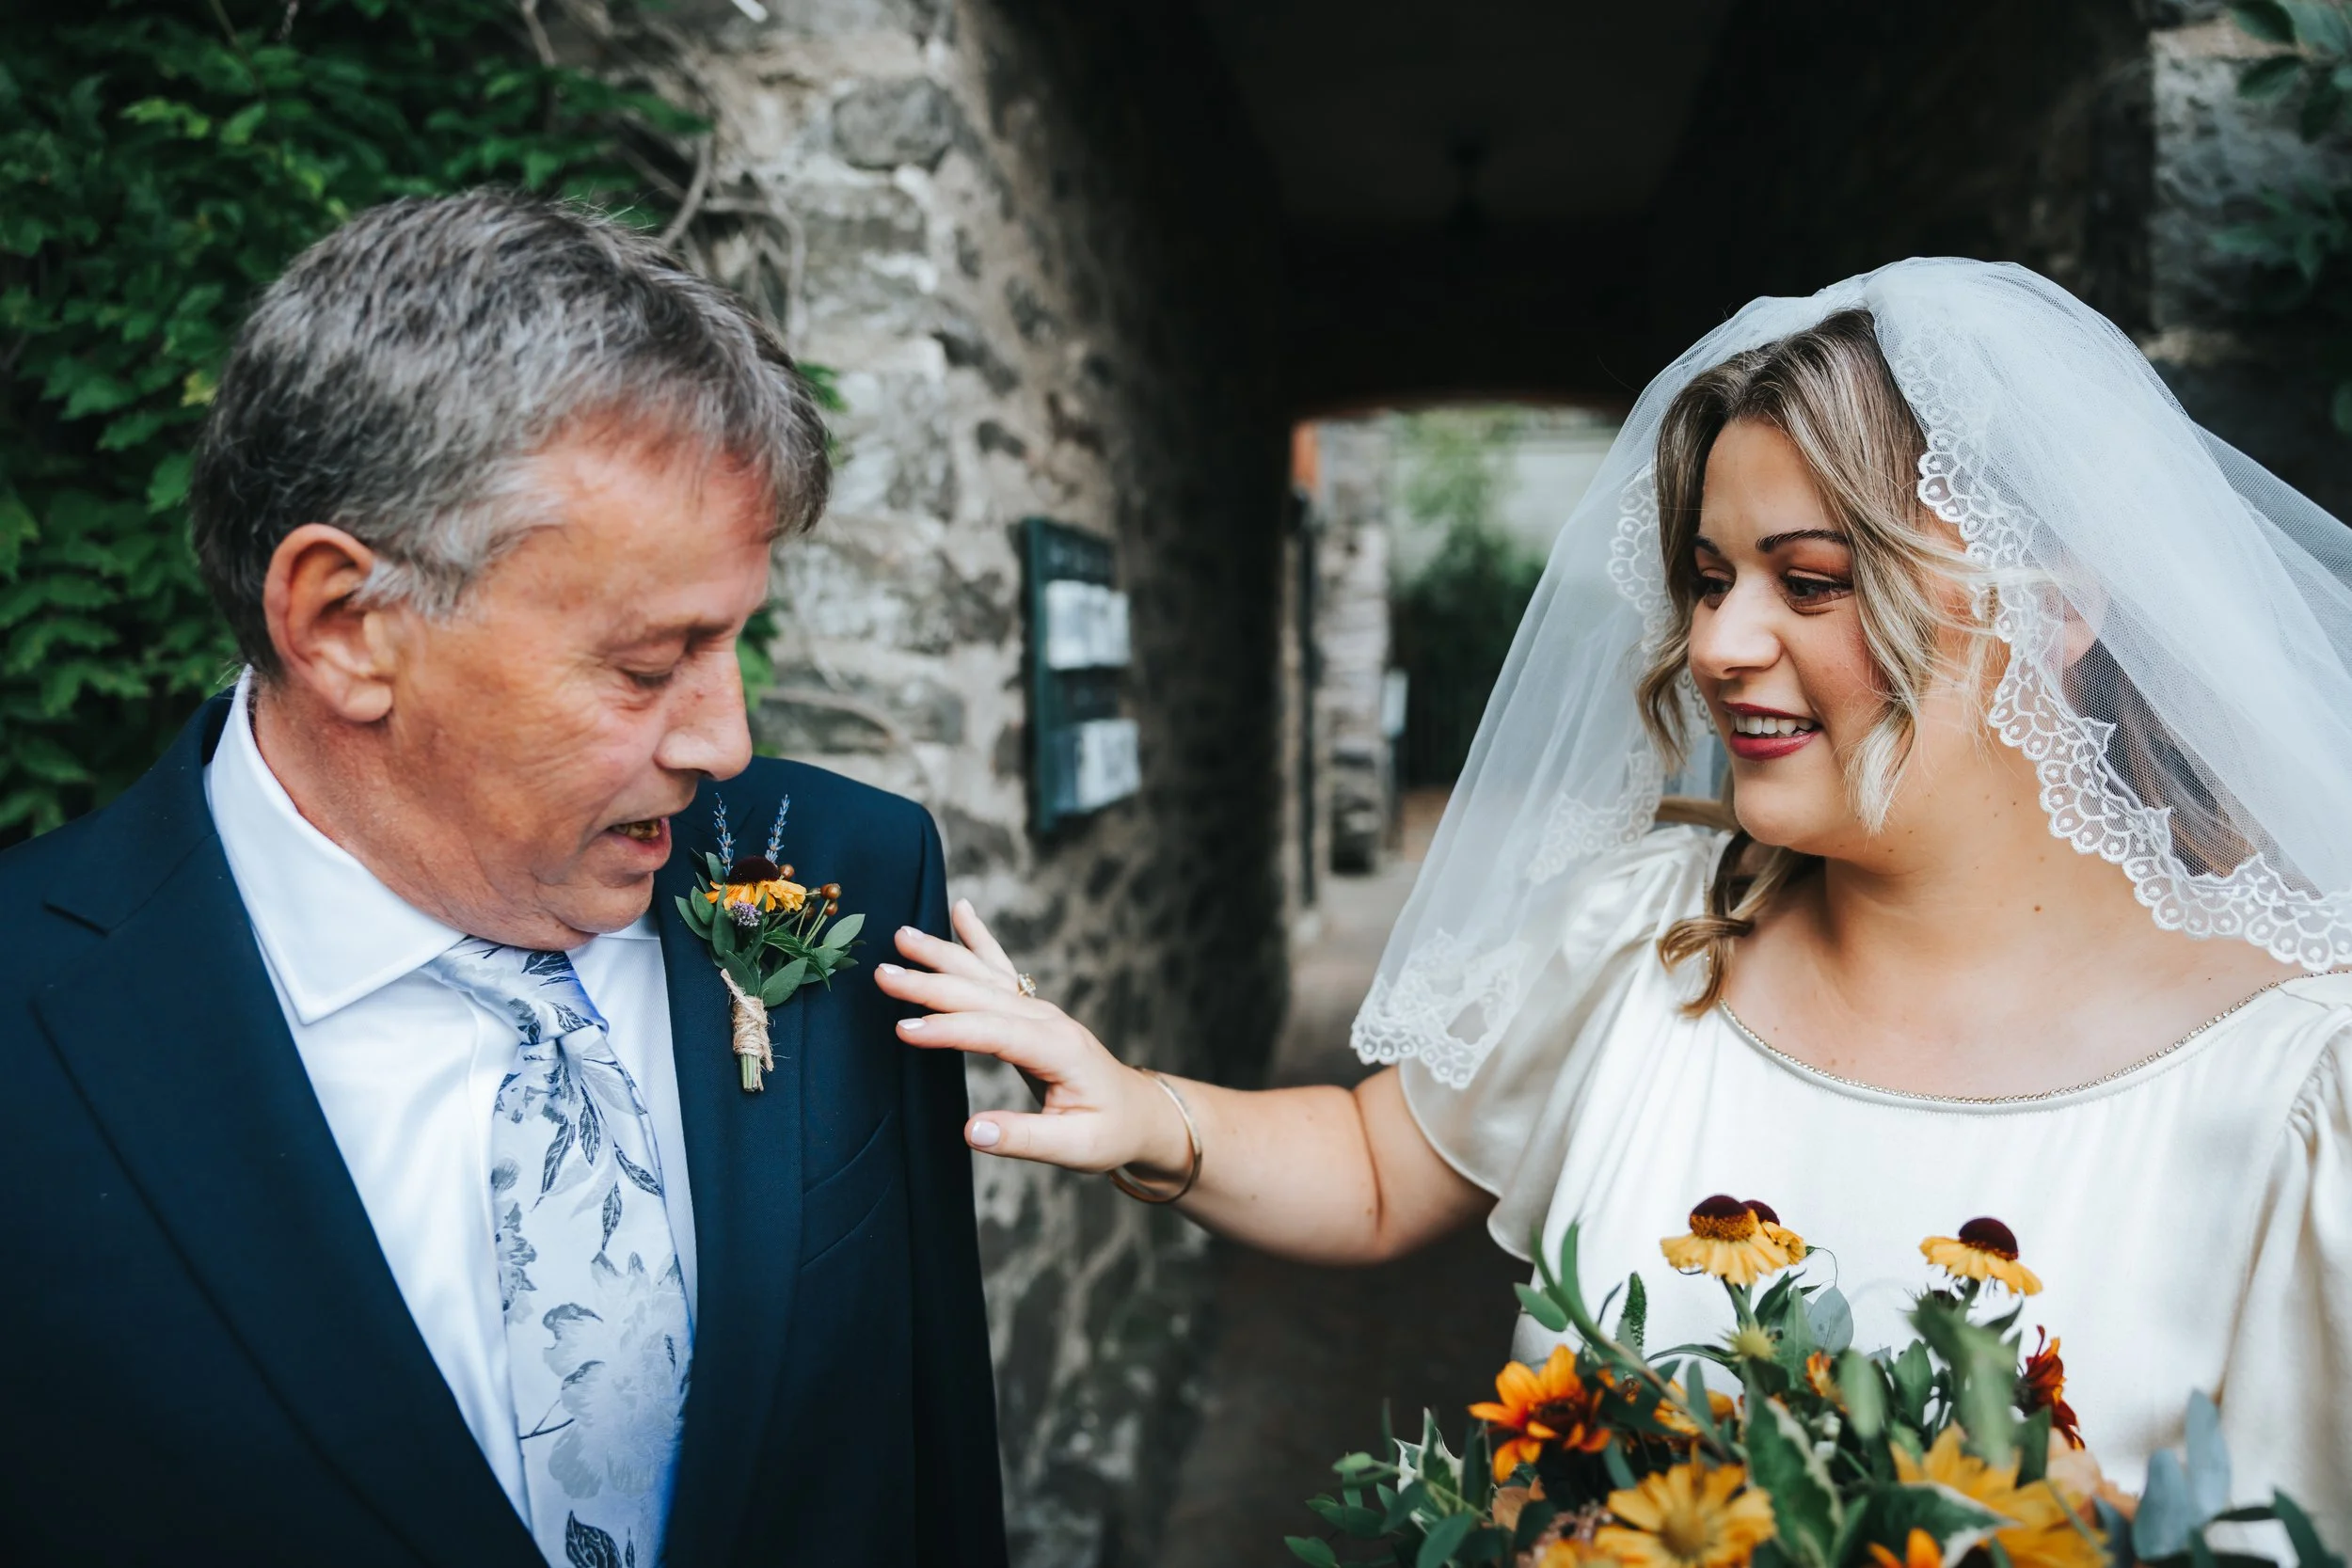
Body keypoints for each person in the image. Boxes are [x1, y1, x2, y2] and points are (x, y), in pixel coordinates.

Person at [880, 260, 2352, 1532]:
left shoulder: (2296, 1091)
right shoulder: (1650, 935)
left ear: (2057, 604)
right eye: (1710, 577)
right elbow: (1385, 1164)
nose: (1720, 640)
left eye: (1813, 579)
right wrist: (1150, 1111)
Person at [0, 192, 1006, 1567]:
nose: (728, 739)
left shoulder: (851, 869)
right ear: (347, 627)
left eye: (735, 644)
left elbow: (927, 1452)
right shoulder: (27, 1029)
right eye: (649, 666)